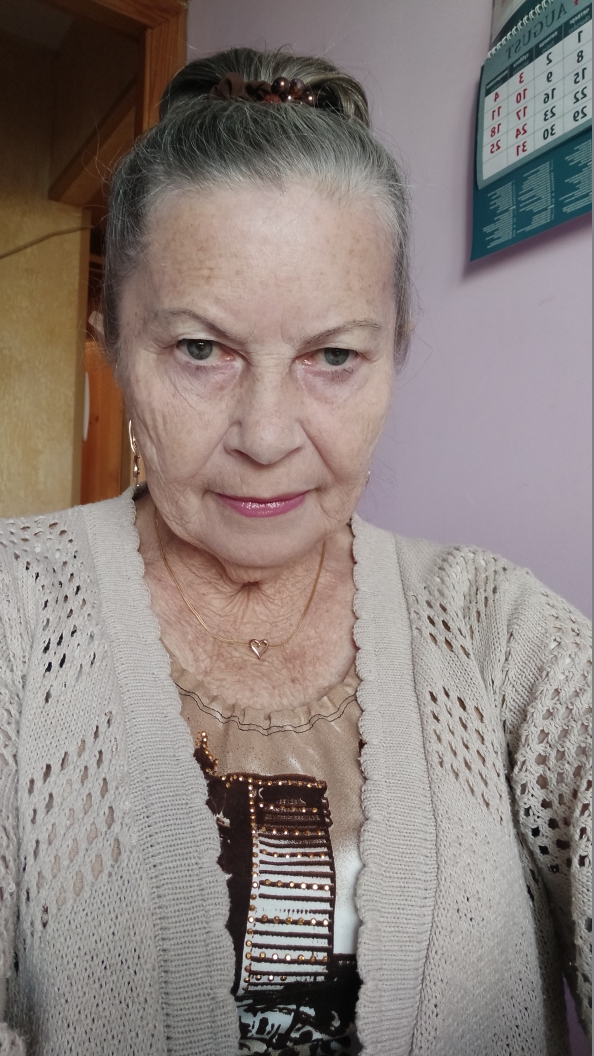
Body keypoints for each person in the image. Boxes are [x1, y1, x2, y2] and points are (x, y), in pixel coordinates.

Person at [0, 47, 590, 1056]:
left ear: (397, 350)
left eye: (334, 356)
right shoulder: (15, 615)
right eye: (200, 349)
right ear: (112, 341)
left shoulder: (499, 629)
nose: (267, 436)